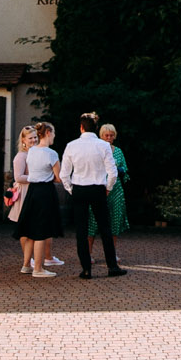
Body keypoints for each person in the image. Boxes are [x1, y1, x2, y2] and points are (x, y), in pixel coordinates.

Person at [60, 112, 126, 278]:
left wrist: (70, 189)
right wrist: (108, 188)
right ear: (96, 128)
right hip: (98, 188)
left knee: (81, 230)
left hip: (80, 189)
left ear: (81, 127)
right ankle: (112, 267)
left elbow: (64, 174)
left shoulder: (71, 145)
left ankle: (86, 269)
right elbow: (112, 172)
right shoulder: (103, 146)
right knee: (105, 227)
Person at [17, 121, 63, 277]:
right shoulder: (51, 153)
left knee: (30, 229)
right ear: (48, 133)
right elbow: (59, 177)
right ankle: (38, 268)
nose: (54, 137)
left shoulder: (31, 151)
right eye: (54, 133)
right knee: (41, 231)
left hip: (32, 191)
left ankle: (26, 265)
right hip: (45, 191)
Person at [97, 123, 131, 252]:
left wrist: (117, 169)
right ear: (101, 136)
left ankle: (112, 252)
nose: (109, 138)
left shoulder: (118, 151)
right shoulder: (97, 150)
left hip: (115, 189)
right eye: (106, 135)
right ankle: (88, 253)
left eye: (111, 135)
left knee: (115, 222)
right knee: (93, 221)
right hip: (99, 187)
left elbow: (125, 169)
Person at [10, 123, 37, 273]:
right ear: (23, 140)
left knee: (30, 228)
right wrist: (36, 177)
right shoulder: (21, 156)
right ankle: (27, 260)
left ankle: (29, 259)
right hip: (25, 192)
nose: (33, 140)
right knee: (25, 229)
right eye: (30, 138)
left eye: (35, 137)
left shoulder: (36, 153)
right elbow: (18, 177)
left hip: (33, 191)